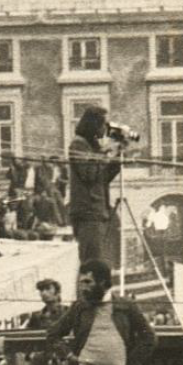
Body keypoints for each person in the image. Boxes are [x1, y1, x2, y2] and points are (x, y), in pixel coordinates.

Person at [66, 106, 121, 265]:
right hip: (88, 211)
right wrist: (104, 154)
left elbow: (102, 178)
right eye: (103, 124)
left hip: (96, 210)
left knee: (98, 259)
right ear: (94, 125)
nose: (106, 129)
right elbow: (89, 175)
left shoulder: (92, 146)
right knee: (92, 261)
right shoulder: (79, 145)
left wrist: (117, 158)